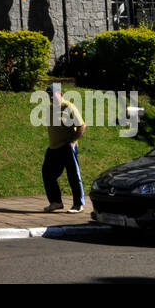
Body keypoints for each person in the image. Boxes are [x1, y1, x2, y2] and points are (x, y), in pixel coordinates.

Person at [41, 82, 86, 213]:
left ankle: (78, 205)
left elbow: (82, 126)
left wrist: (73, 141)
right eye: (48, 95)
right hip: (53, 148)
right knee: (47, 173)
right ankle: (56, 202)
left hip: (67, 147)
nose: (50, 97)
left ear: (60, 94)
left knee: (73, 175)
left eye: (53, 95)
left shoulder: (68, 107)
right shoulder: (49, 108)